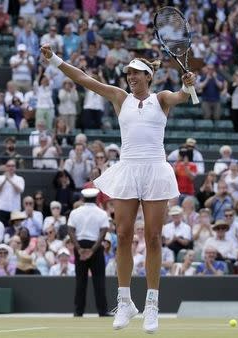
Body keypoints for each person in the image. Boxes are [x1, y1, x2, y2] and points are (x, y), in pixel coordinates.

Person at [41, 45, 195, 333]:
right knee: (123, 235)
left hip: (155, 170)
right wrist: (54, 59)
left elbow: (180, 97)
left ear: (148, 77)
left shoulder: (161, 98)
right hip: (128, 169)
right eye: (128, 73)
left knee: (152, 238)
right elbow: (85, 79)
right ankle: (125, 302)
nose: (131, 77)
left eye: (136, 73)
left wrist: (187, 87)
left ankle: (152, 306)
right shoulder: (119, 97)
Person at [67, 188, 109, 317]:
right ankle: (102, 311)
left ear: (83, 198)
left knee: (80, 281)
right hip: (94, 246)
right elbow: (103, 232)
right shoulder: (101, 213)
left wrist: (79, 249)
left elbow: (70, 230)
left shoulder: (75, 212)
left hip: (80, 245)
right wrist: (93, 250)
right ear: (96, 198)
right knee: (99, 280)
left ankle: (78, 311)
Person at [0, 159, 25, 227]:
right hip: (3, 209)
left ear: (15, 168)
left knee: (15, 228)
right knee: (3, 228)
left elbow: (20, 190)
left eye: (13, 166)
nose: (11, 167)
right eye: (9, 166)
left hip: (15, 209)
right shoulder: (0, 178)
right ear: (6, 167)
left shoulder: (20, 179)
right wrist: (5, 180)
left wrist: (10, 180)